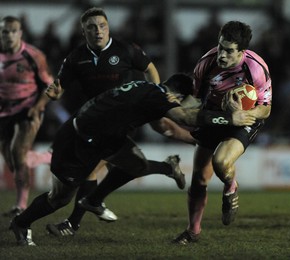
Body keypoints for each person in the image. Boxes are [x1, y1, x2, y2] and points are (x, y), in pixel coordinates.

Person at [9, 74, 257, 246]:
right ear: (181, 95)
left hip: (103, 137)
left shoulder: (147, 90)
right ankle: (21, 223)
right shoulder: (162, 97)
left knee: (136, 163)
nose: (197, 106)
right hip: (78, 141)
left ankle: (93, 200)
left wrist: (196, 140)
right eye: (196, 101)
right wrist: (227, 118)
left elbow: (165, 125)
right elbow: (186, 116)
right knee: (60, 198)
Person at [44, 7, 195, 237]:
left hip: (124, 114)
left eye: (102, 26)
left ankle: (73, 223)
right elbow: (60, 86)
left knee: (95, 168)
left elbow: (149, 68)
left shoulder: (125, 49)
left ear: (108, 27)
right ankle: (169, 166)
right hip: (97, 118)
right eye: (92, 27)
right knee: (122, 163)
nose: (98, 31)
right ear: (83, 31)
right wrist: (55, 93)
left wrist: (155, 93)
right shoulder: (76, 58)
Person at [173, 21, 272, 245]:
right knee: (199, 178)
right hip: (214, 115)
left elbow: (266, 108)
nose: (222, 55)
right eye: (220, 47)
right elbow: (196, 99)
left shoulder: (256, 68)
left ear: (242, 52)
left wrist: (246, 112)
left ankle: (231, 186)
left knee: (220, 162)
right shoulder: (206, 63)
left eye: (229, 50)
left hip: (245, 119)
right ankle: (193, 231)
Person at [0, 16, 54, 217]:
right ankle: (46, 157)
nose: (9, 35)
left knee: (18, 152)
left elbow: (51, 85)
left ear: (20, 33)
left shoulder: (33, 55)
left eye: (13, 31)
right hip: (4, 112)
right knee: (12, 161)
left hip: (28, 109)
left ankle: (21, 206)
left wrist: (38, 106)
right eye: (5, 31)